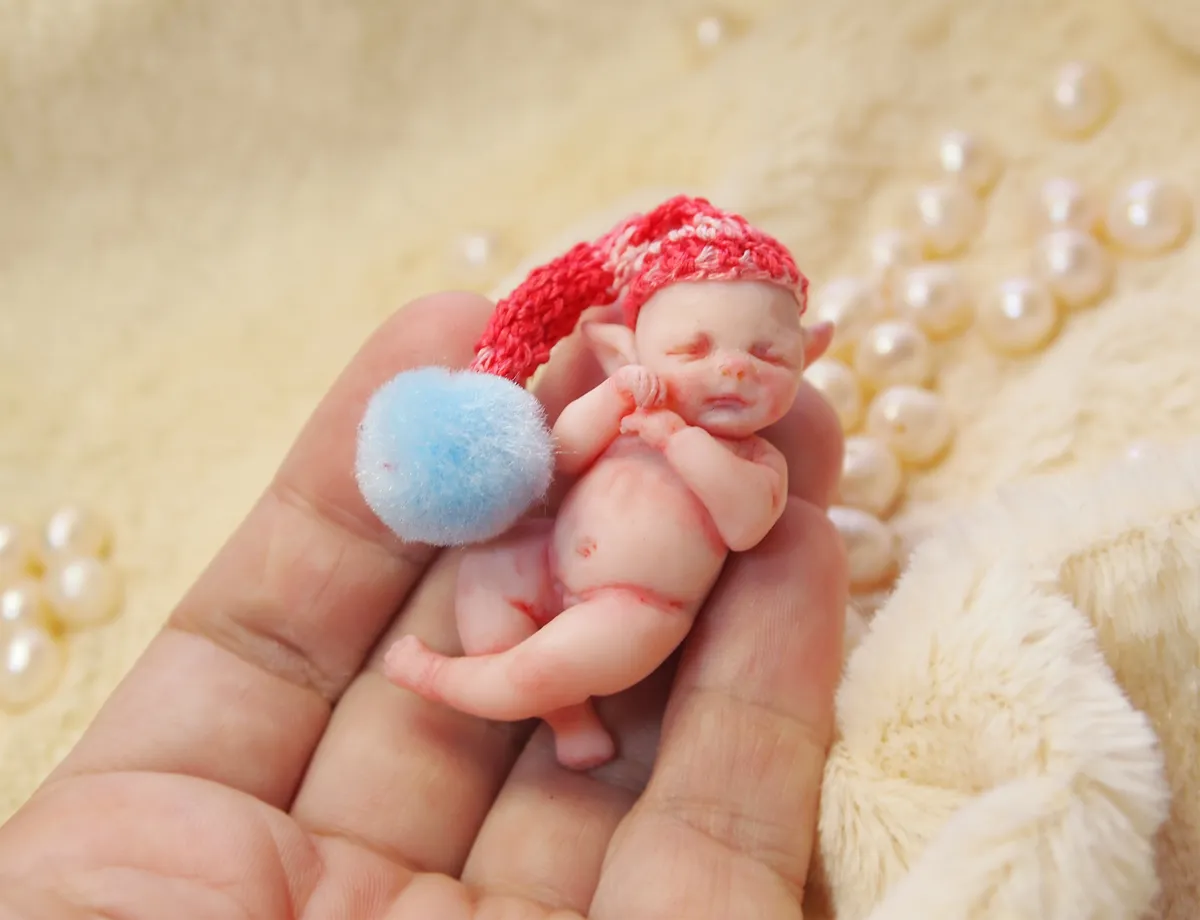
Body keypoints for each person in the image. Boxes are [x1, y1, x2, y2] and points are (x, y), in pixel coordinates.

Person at [0, 291, 847, 919]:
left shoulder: (755, 465)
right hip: (549, 556)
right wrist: (612, 402)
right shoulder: (630, 407)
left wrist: (681, 443)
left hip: (635, 607)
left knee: (539, 661)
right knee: (483, 581)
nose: (732, 368)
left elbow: (742, 523)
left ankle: (447, 680)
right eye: (694, 347)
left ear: (810, 354)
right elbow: (562, 456)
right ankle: (570, 725)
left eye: (767, 356)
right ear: (628, 345)